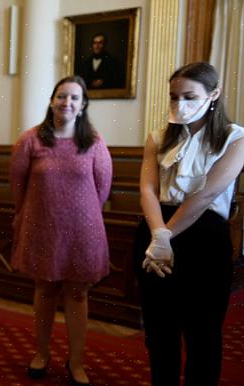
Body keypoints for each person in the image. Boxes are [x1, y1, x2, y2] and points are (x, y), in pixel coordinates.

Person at [135, 62, 243, 386]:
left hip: (203, 238)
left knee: (203, 334)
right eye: (173, 96)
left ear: (214, 94)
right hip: (156, 230)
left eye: (189, 96)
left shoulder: (235, 138)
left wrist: (165, 236)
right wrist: (158, 236)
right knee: (159, 333)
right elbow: (148, 189)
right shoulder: (157, 137)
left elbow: (208, 192)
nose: (179, 104)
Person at [9, 76, 112, 386]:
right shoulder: (30, 140)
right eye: (62, 96)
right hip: (42, 226)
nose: (67, 102)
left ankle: (76, 361)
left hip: (83, 230)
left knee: (78, 294)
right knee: (44, 290)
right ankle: (41, 354)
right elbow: (18, 185)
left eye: (74, 98)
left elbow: (102, 187)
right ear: (52, 100)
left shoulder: (93, 141)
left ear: (82, 106)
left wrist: (80, 212)